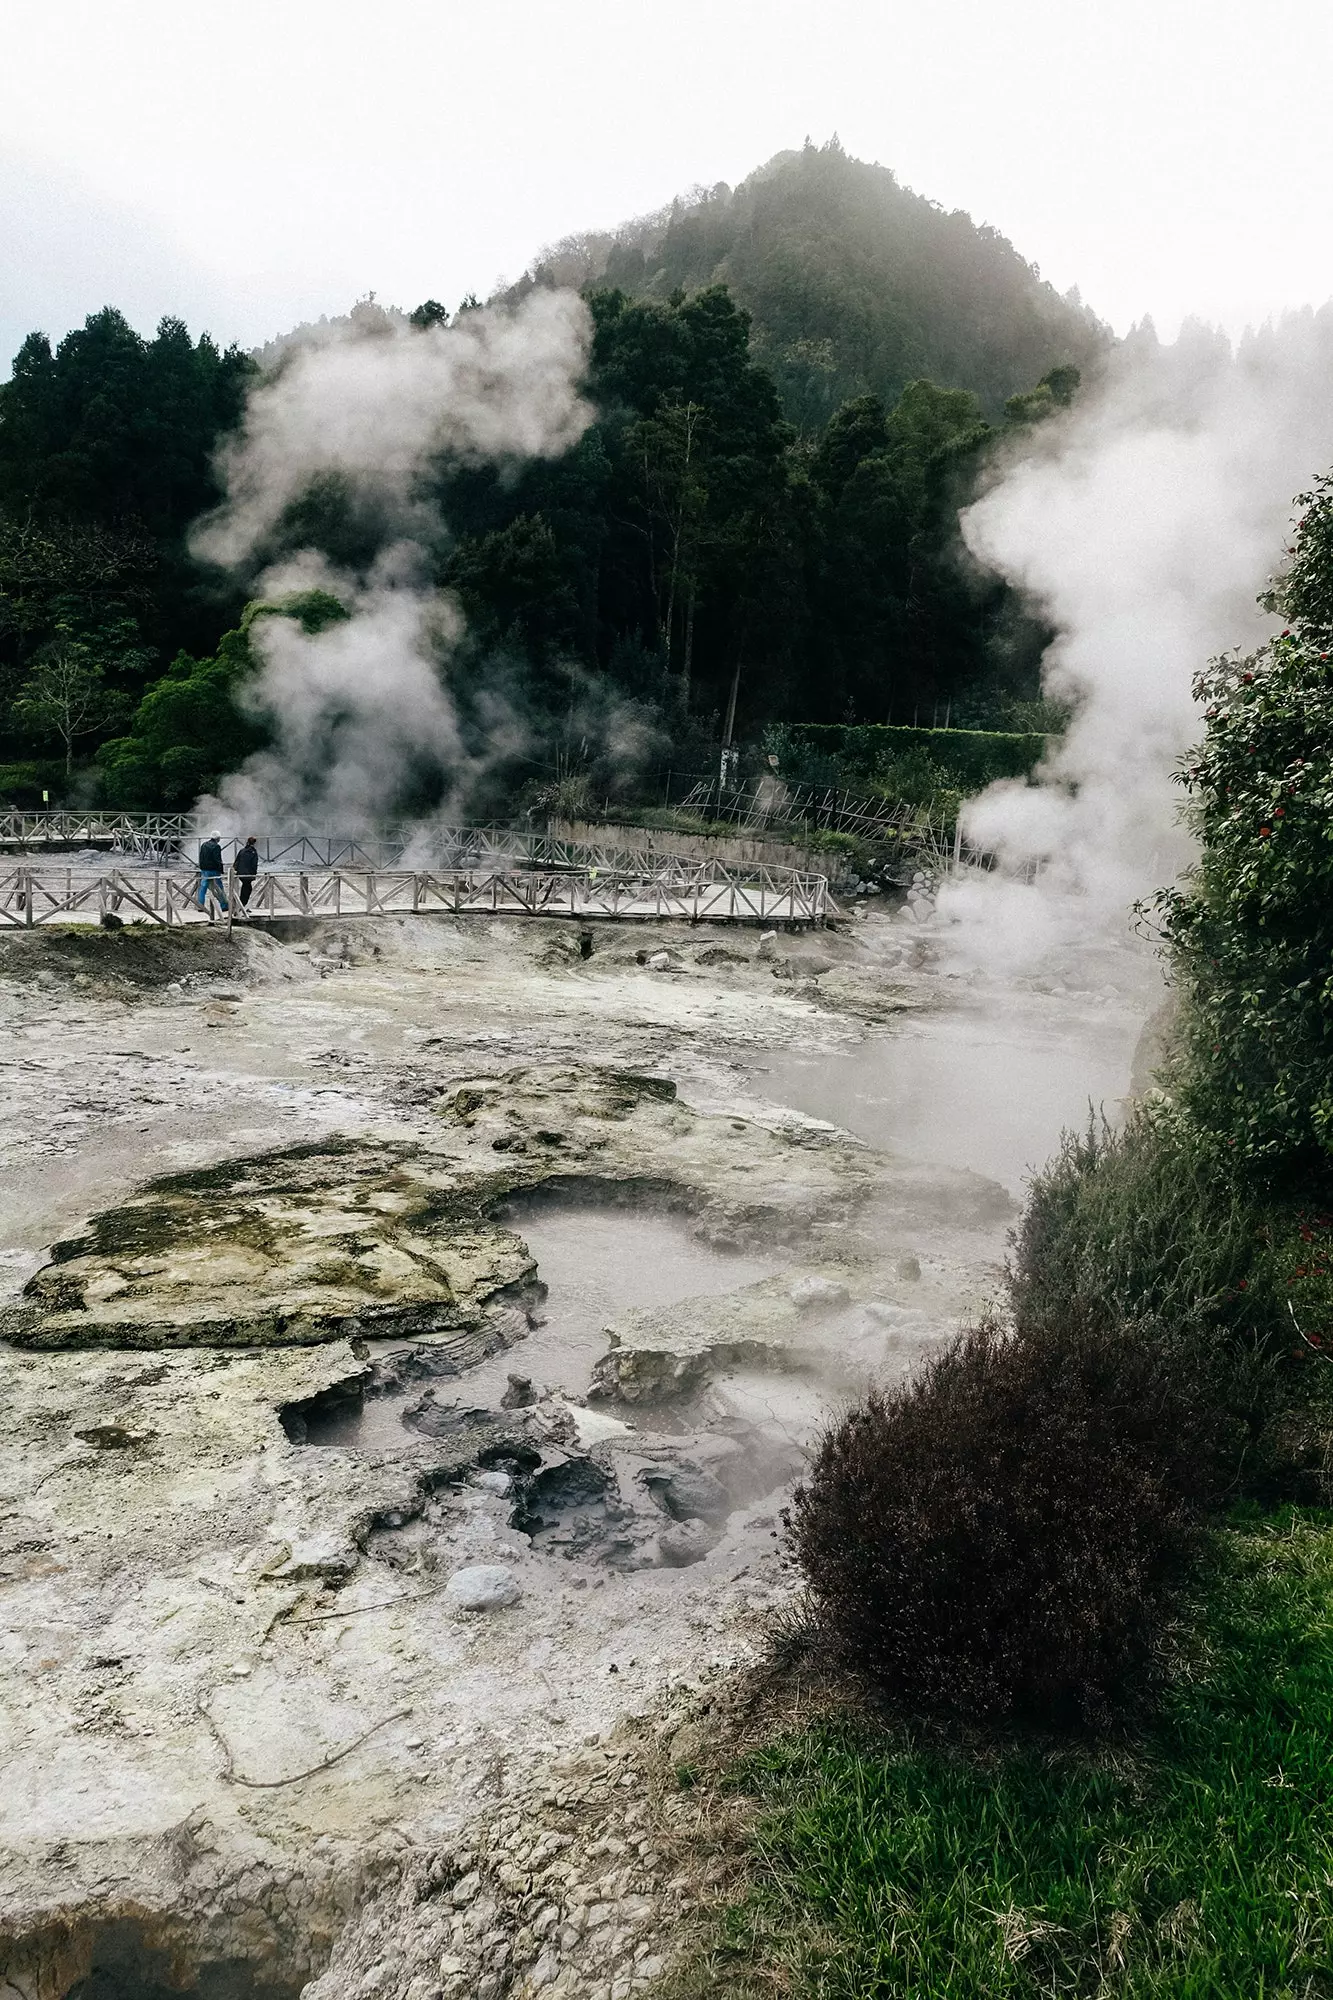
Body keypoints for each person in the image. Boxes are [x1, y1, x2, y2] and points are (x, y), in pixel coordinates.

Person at [197, 832, 228, 919]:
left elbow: (201, 857)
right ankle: (224, 905)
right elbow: (217, 859)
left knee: (203, 887)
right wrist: (221, 870)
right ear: (217, 838)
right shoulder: (216, 846)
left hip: (205, 869)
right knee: (219, 887)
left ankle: (200, 905)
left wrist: (201, 867)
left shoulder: (204, 845)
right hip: (214, 870)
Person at [235, 835, 260, 912]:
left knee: (245, 888)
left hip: (241, 873)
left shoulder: (242, 850)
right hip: (248, 874)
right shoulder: (253, 852)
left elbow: (237, 861)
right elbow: (254, 864)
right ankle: (242, 907)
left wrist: (236, 870)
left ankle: (241, 906)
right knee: (247, 889)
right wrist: (254, 874)